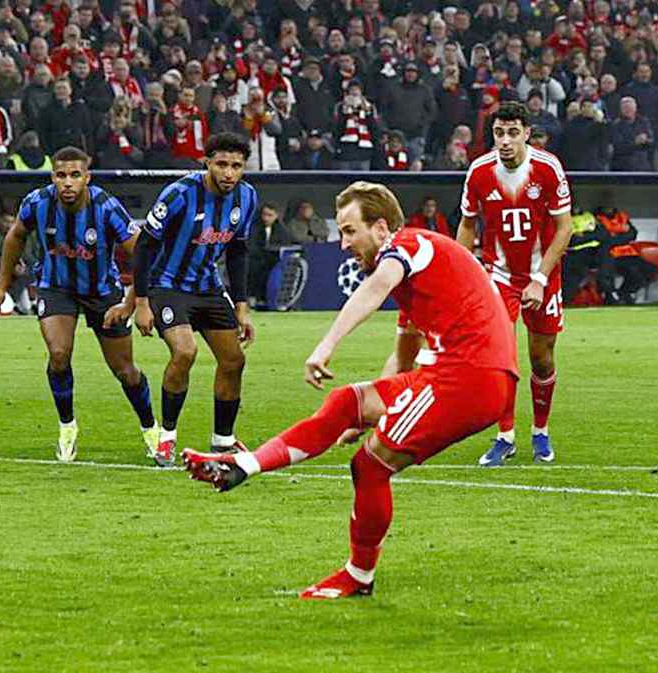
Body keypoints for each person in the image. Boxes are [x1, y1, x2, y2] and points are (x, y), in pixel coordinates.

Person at [182, 181, 518, 599]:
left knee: (371, 466)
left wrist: (326, 345)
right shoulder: (418, 276)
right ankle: (243, 465)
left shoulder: (408, 246)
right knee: (347, 401)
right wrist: (366, 415)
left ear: (380, 229)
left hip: (470, 378)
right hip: (462, 375)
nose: (342, 244)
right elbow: (403, 358)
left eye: (348, 230)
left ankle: (358, 576)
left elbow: (374, 288)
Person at [0, 146, 159, 462]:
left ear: (86, 177)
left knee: (125, 371)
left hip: (103, 292)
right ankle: (67, 427)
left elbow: (142, 254)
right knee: (59, 354)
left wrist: (135, 302)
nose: (67, 182)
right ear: (52, 176)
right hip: (56, 288)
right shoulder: (38, 202)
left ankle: (151, 429)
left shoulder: (105, 206)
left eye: (75, 175)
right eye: (61, 175)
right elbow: (15, 237)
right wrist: (0, 287)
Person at [111, 132, 257, 466]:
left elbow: (238, 252)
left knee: (234, 360)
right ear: (207, 162)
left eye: (236, 166)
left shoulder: (247, 197)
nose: (229, 173)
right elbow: (145, 246)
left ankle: (223, 442)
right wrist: (142, 302)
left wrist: (242, 307)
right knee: (185, 351)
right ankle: (167, 438)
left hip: (207, 286)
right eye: (221, 164)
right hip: (166, 285)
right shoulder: (179, 194)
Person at [456, 102, 573, 465]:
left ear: (526, 133)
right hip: (499, 276)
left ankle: (540, 432)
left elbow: (565, 228)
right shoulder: (478, 171)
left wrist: (539, 279)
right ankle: (505, 436)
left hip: (543, 276)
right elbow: (467, 225)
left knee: (541, 358)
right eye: (498, 133)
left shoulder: (548, 168)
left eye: (511, 133)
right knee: (500, 356)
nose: (504, 141)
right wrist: (460, 277)